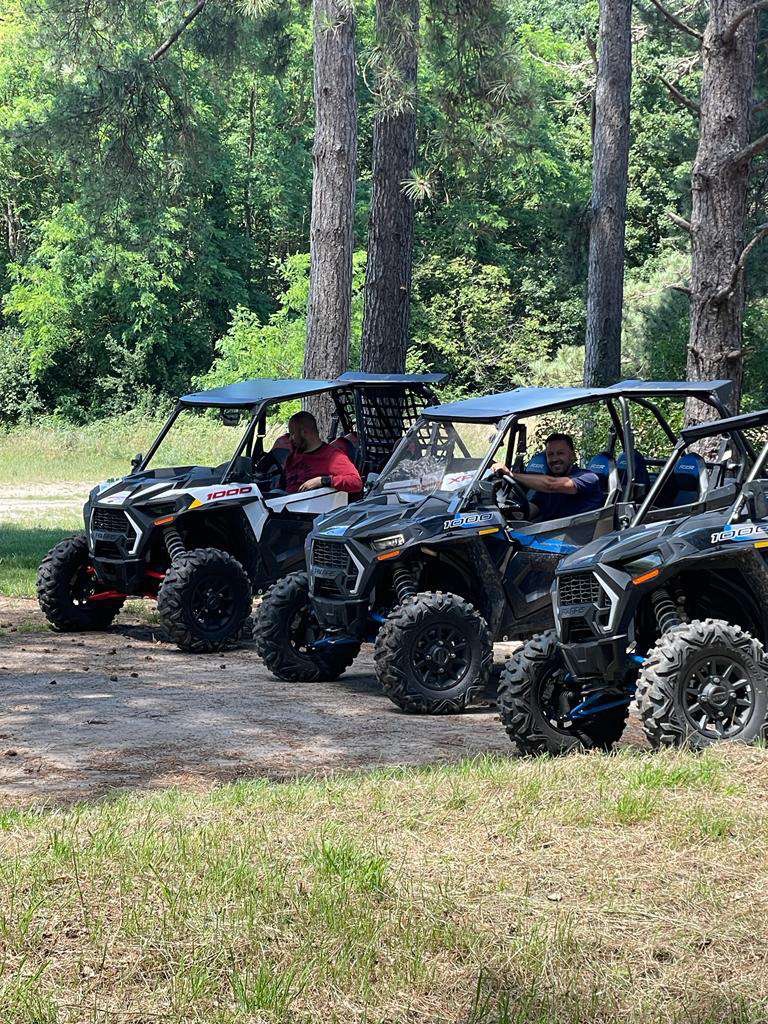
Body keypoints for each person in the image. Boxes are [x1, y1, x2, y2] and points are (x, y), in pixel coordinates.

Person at [493, 432, 602, 520]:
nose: (554, 459)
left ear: (572, 456)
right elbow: (532, 510)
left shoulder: (588, 477)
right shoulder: (546, 485)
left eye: (560, 453)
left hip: (578, 540)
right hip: (547, 536)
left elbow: (551, 485)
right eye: (550, 455)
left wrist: (510, 474)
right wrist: (505, 511)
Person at [284, 411, 363, 494]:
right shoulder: (292, 457)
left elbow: (356, 482)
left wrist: (322, 481)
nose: (290, 439)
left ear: (305, 432)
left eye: (292, 434)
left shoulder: (332, 456)